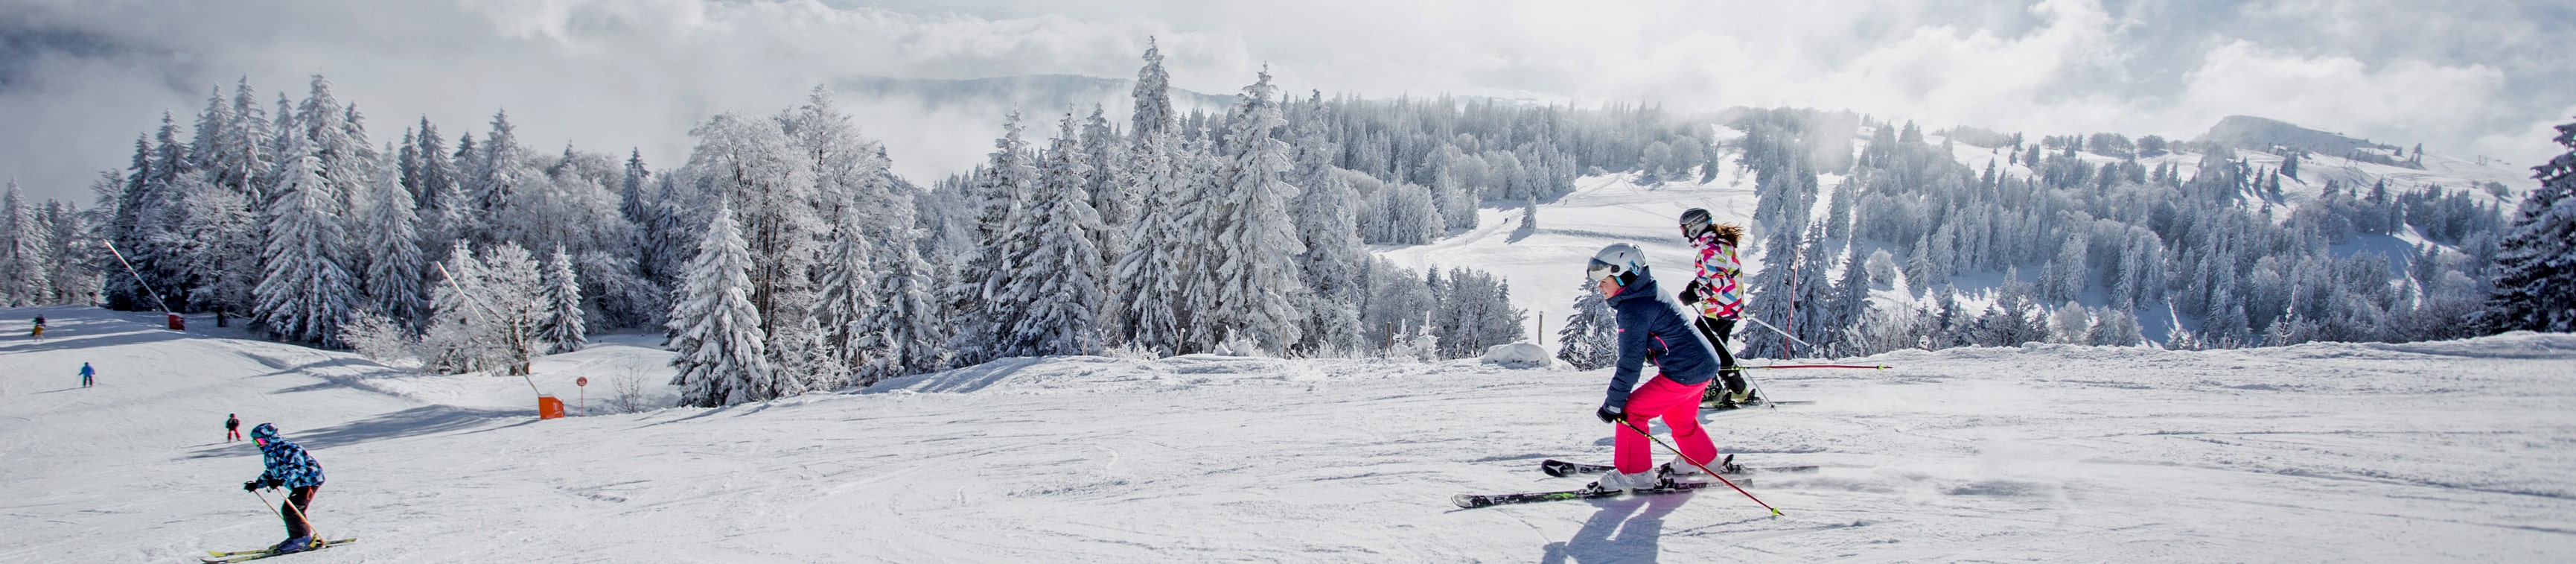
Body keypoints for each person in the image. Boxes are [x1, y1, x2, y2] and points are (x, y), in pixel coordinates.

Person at [1581, 243, 1727, 493]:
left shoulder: (1634, 308)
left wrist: (1614, 404)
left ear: (1625, 275)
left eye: (1603, 279)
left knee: (1630, 413)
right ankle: (1704, 461)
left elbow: (1629, 364)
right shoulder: (1647, 291)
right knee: (1679, 418)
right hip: (1704, 364)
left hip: (1685, 371)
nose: (1599, 286)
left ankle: (1634, 474)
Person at [1674, 209, 1753, 406]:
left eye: (1685, 229)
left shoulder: (1711, 248)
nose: (1684, 235)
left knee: (1699, 348)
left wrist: (1696, 294)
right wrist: (1695, 285)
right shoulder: (1720, 243)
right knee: (1718, 348)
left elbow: (1720, 282)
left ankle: (1712, 390)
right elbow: (1718, 275)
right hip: (1730, 308)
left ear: (1696, 227)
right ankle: (1738, 389)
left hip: (1718, 309)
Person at [243, 423, 327, 554]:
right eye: (255, 441)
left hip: (309, 480)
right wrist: (257, 484)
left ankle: (301, 540)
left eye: (261, 440)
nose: (259, 444)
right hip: (298, 483)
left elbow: (297, 467)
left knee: (292, 509)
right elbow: (272, 472)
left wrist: (282, 479)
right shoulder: (270, 453)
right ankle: (299, 538)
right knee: (292, 509)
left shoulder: (289, 448)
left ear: (271, 438)